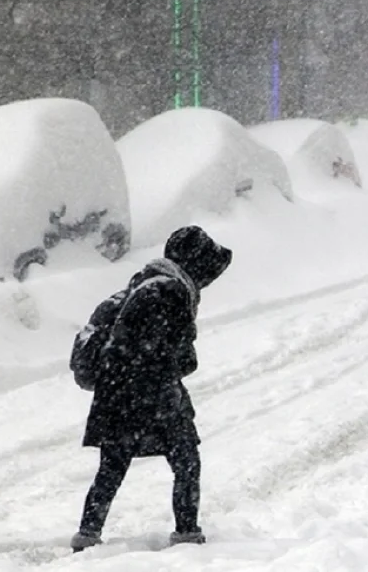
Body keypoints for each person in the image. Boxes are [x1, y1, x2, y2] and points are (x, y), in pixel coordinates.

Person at [70, 225, 232, 552]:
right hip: (150, 396)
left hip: (117, 395)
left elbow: (124, 345)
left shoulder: (143, 283)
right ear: (195, 264)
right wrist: (170, 368)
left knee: (112, 468)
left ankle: (87, 536)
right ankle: (187, 535)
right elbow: (173, 355)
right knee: (187, 459)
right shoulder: (169, 293)